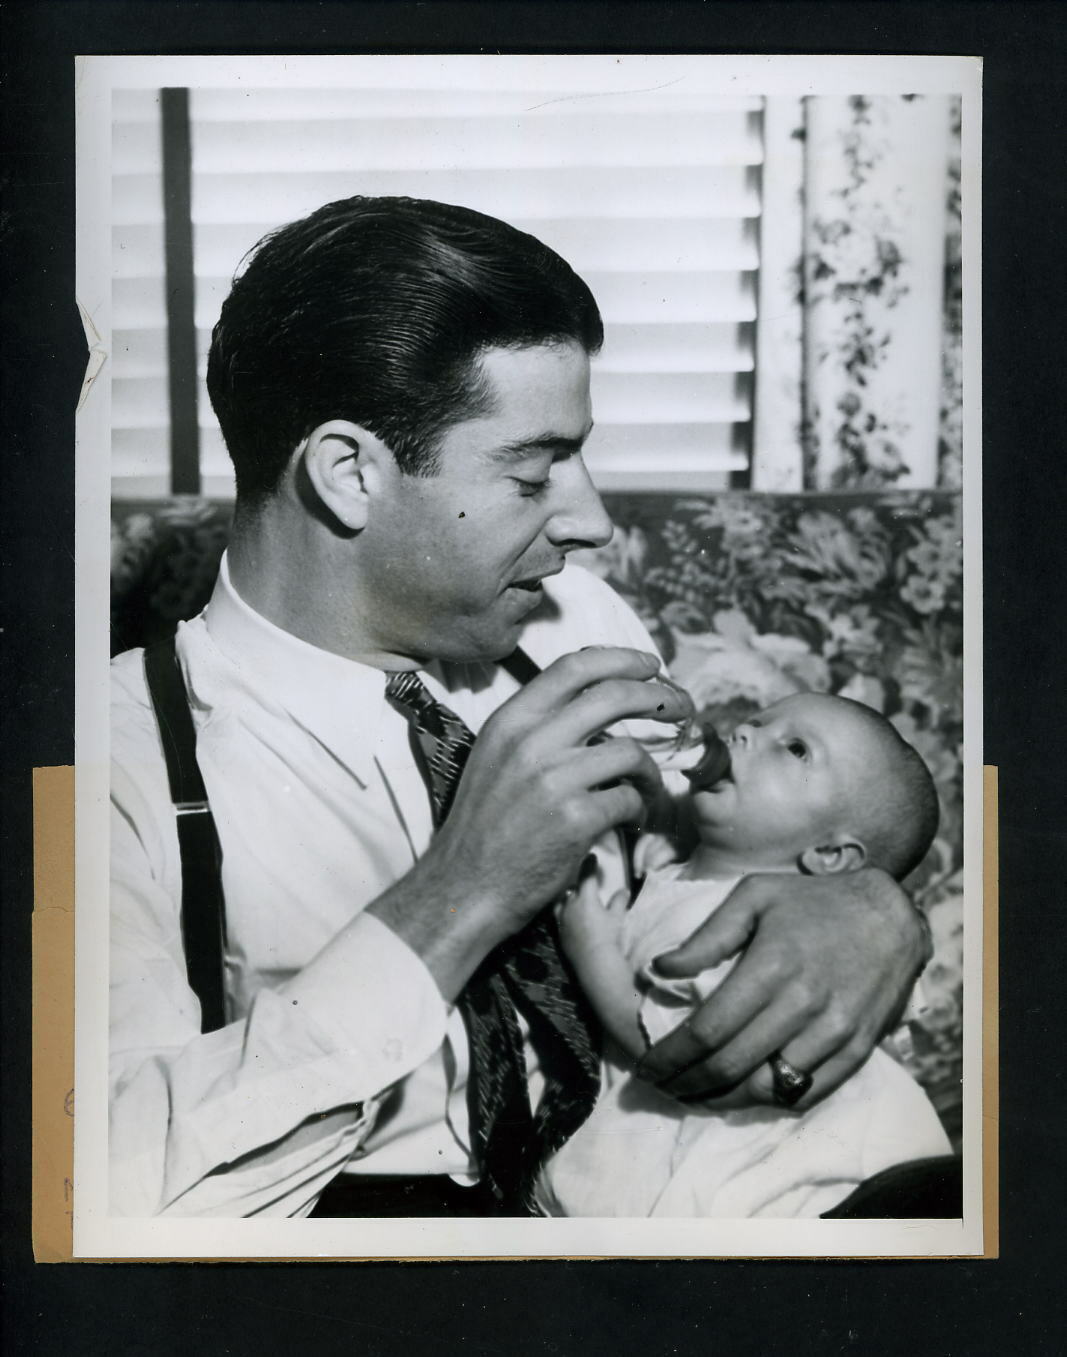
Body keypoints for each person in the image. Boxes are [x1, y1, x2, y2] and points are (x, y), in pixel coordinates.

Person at [109, 195, 930, 1218]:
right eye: (533, 471)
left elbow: (766, 819)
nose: (588, 523)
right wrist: (462, 891)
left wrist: (871, 906)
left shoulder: (575, 622)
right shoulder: (114, 766)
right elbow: (100, 1187)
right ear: (347, 473)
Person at [536, 694, 951, 1218]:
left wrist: (593, 950)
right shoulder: (678, 861)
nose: (744, 734)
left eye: (796, 749)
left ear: (828, 855)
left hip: (761, 1156)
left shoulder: (764, 932)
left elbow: (674, 1048)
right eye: (757, 721)